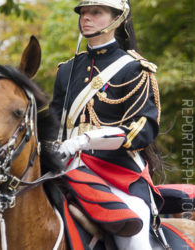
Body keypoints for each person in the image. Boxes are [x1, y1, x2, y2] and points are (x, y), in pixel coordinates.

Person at [49, 0, 164, 249]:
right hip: (65, 169)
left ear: (118, 19)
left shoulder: (134, 69)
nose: (86, 18)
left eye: (96, 12)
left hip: (117, 173)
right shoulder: (66, 70)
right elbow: (53, 123)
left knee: (133, 235)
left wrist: (86, 140)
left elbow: (142, 130)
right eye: (83, 12)